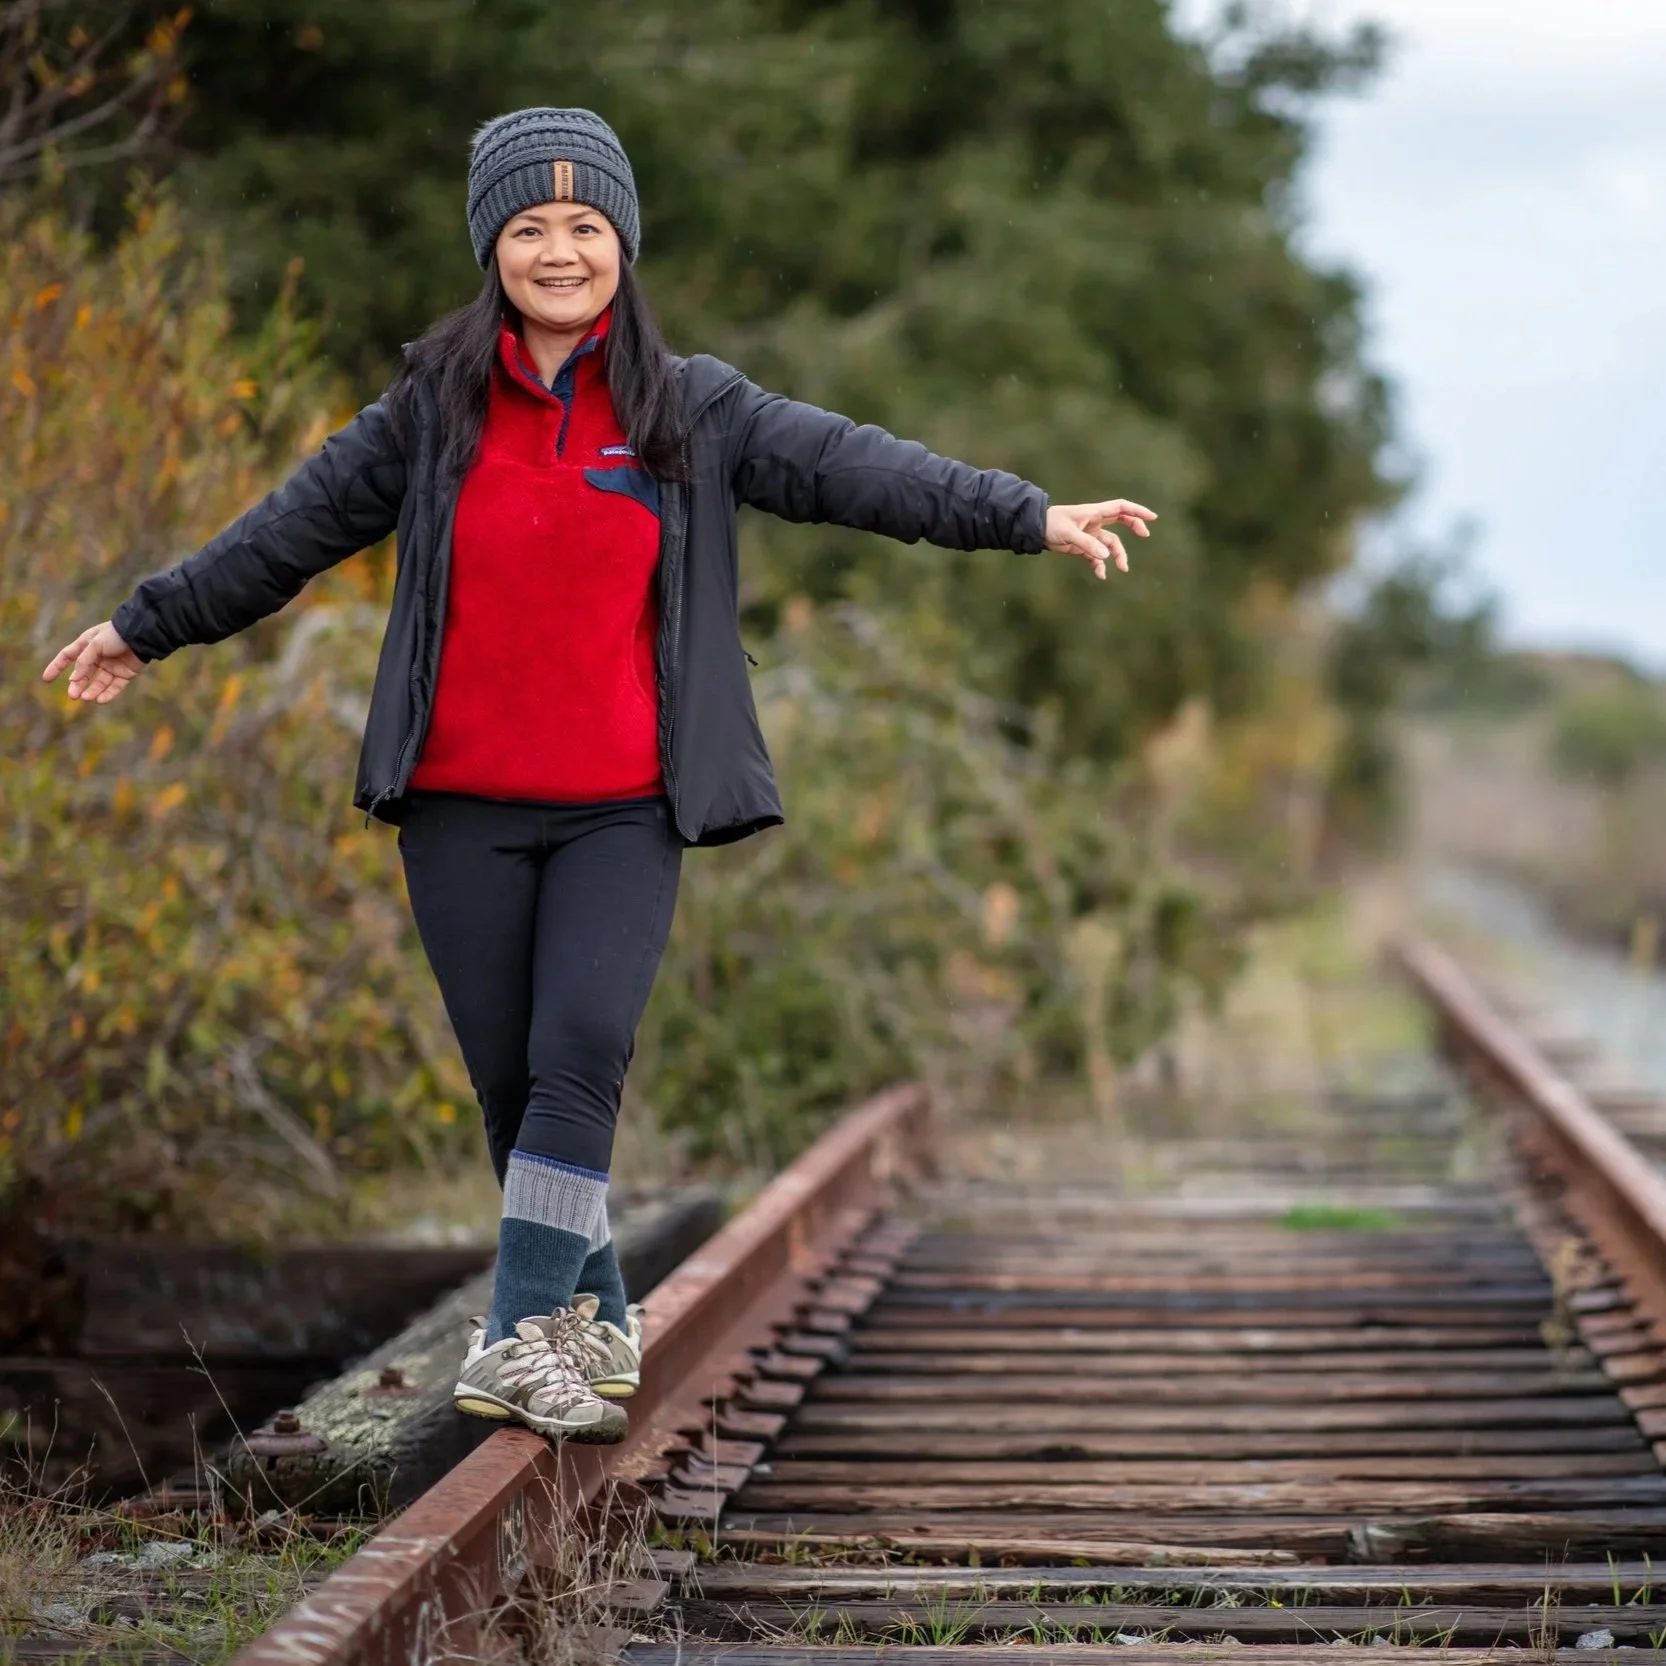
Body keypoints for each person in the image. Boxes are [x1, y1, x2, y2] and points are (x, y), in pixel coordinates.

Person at [41, 107, 1156, 1445]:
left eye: (583, 226)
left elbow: (861, 468)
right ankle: (594, 1311)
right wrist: (144, 623)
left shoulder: (693, 409)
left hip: (623, 807)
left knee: (578, 1053)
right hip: (458, 809)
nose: (558, 251)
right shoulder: (427, 415)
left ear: (620, 241)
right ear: (492, 249)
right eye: (529, 228)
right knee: (515, 1092)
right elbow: (281, 533)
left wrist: (1027, 514)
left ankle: (517, 1342)